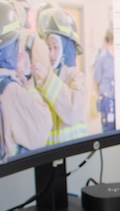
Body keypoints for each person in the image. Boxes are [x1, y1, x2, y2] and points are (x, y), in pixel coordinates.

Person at [0, 0, 52, 159]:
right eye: (16, 41)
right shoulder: (12, 90)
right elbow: (44, 125)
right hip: (16, 173)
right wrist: (28, 84)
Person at [32, 7, 88, 144]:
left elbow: (72, 112)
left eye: (56, 47)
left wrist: (47, 79)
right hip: (52, 155)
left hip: (75, 155)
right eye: (49, 47)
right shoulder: (47, 82)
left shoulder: (77, 78)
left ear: (66, 48)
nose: (51, 54)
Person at [93, 26, 115, 132]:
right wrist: (101, 99)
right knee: (109, 132)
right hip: (107, 101)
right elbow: (95, 83)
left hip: (119, 101)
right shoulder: (103, 58)